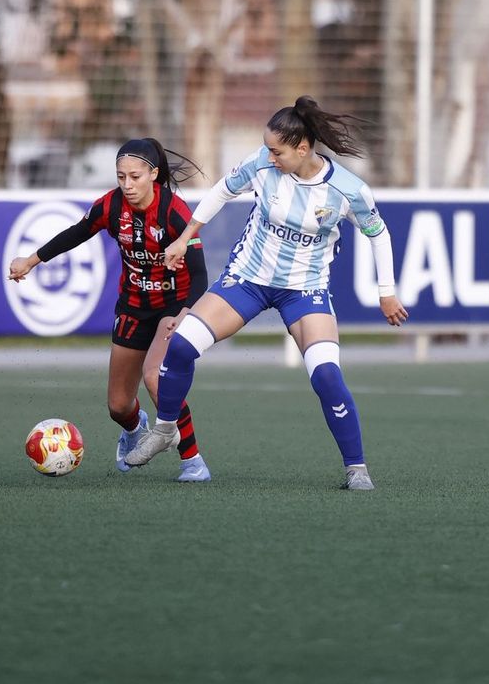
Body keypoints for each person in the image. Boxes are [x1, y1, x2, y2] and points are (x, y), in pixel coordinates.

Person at [125, 96, 407, 491]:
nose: (269, 156)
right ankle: (166, 429)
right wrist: (185, 237)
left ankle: (356, 469)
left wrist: (387, 293)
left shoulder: (348, 189)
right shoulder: (262, 163)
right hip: (248, 279)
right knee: (183, 344)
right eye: (268, 148)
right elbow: (222, 191)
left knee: (326, 375)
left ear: (303, 148)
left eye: (277, 151)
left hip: (304, 290)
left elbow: (379, 235)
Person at [8, 139, 212, 482]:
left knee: (155, 376)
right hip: (132, 306)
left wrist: (186, 312)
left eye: (135, 177)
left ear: (154, 174)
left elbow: (201, 274)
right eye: (121, 177)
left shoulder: (175, 213)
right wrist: (31, 260)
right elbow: (76, 233)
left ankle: (192, 460)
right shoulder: (111, 206)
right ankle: (135, 429)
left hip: (172, 305)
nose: (127, 185)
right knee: (118, 405)